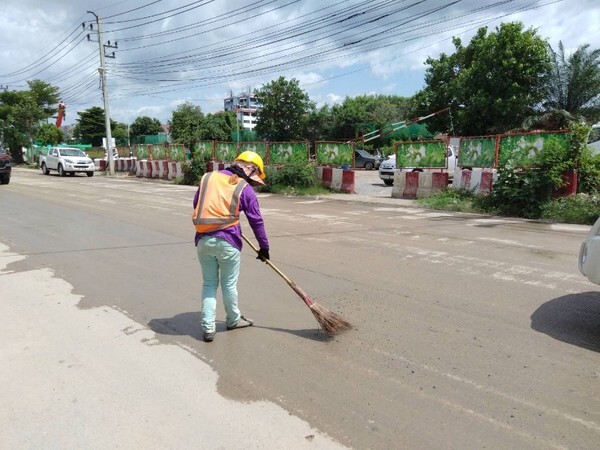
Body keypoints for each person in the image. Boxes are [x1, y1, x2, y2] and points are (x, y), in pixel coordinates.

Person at [192, 151, 270, 342]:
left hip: (203, 241)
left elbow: (197, 203)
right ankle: (233, 320)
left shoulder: (208, 178)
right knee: (228, 284)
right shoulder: (245, 188)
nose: (253, 183)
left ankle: (208, 328)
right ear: (251, 170)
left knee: (209, 284)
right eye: (254, 178)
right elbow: (256, 221)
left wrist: (226, 219)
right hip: (228, 242)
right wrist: (264, 248)